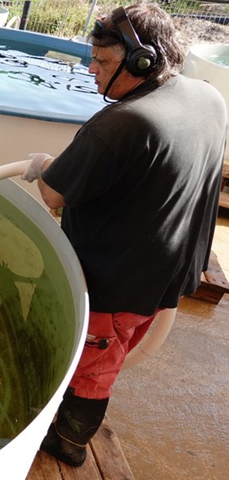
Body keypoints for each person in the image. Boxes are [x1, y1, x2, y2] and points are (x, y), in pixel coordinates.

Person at [21, 2, 226, 467]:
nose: (91, 70)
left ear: (143, 62)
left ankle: (70, 441)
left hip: (116, 283)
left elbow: (54, 196)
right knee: (108, 352)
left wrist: (43, 168)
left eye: (104, 62)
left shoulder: (120, 123)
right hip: (169, 271)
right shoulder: (207, 97)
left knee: (95, 365)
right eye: (91, 57)